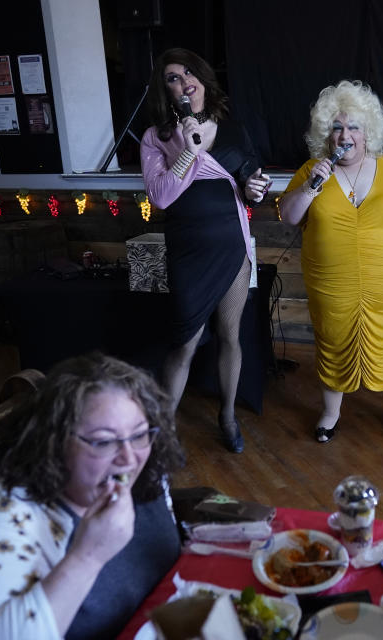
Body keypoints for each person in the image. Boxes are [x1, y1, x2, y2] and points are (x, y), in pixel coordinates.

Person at [0, 353, 187, 640]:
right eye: (102, 441)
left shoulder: (144, 467)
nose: (128, 458)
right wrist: (88, 556)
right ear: (54, 440)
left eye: (139, 435)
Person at [278, 80, 383, 442]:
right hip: (331, 284)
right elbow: (288, 216)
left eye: (354, 127)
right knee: (331, 342)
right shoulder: (313, 170)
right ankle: (330, 413)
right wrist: (311, 186)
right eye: (337, 127)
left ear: (368, 132)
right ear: (326, 135)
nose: (346, 134)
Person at [141, 48, 271, 453]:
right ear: (166, 92)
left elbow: (252, 183)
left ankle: (228, 415)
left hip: (231, 245)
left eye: (188, 73)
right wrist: (188, 153)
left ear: (201, 78)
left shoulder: (233, 129)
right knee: (184, 341)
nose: (183, 82)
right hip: (189, 251)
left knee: (231, 335)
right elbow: (160, 197)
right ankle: (163, 428)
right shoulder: (156, 138)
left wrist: (254, 190)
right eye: (172, 78)